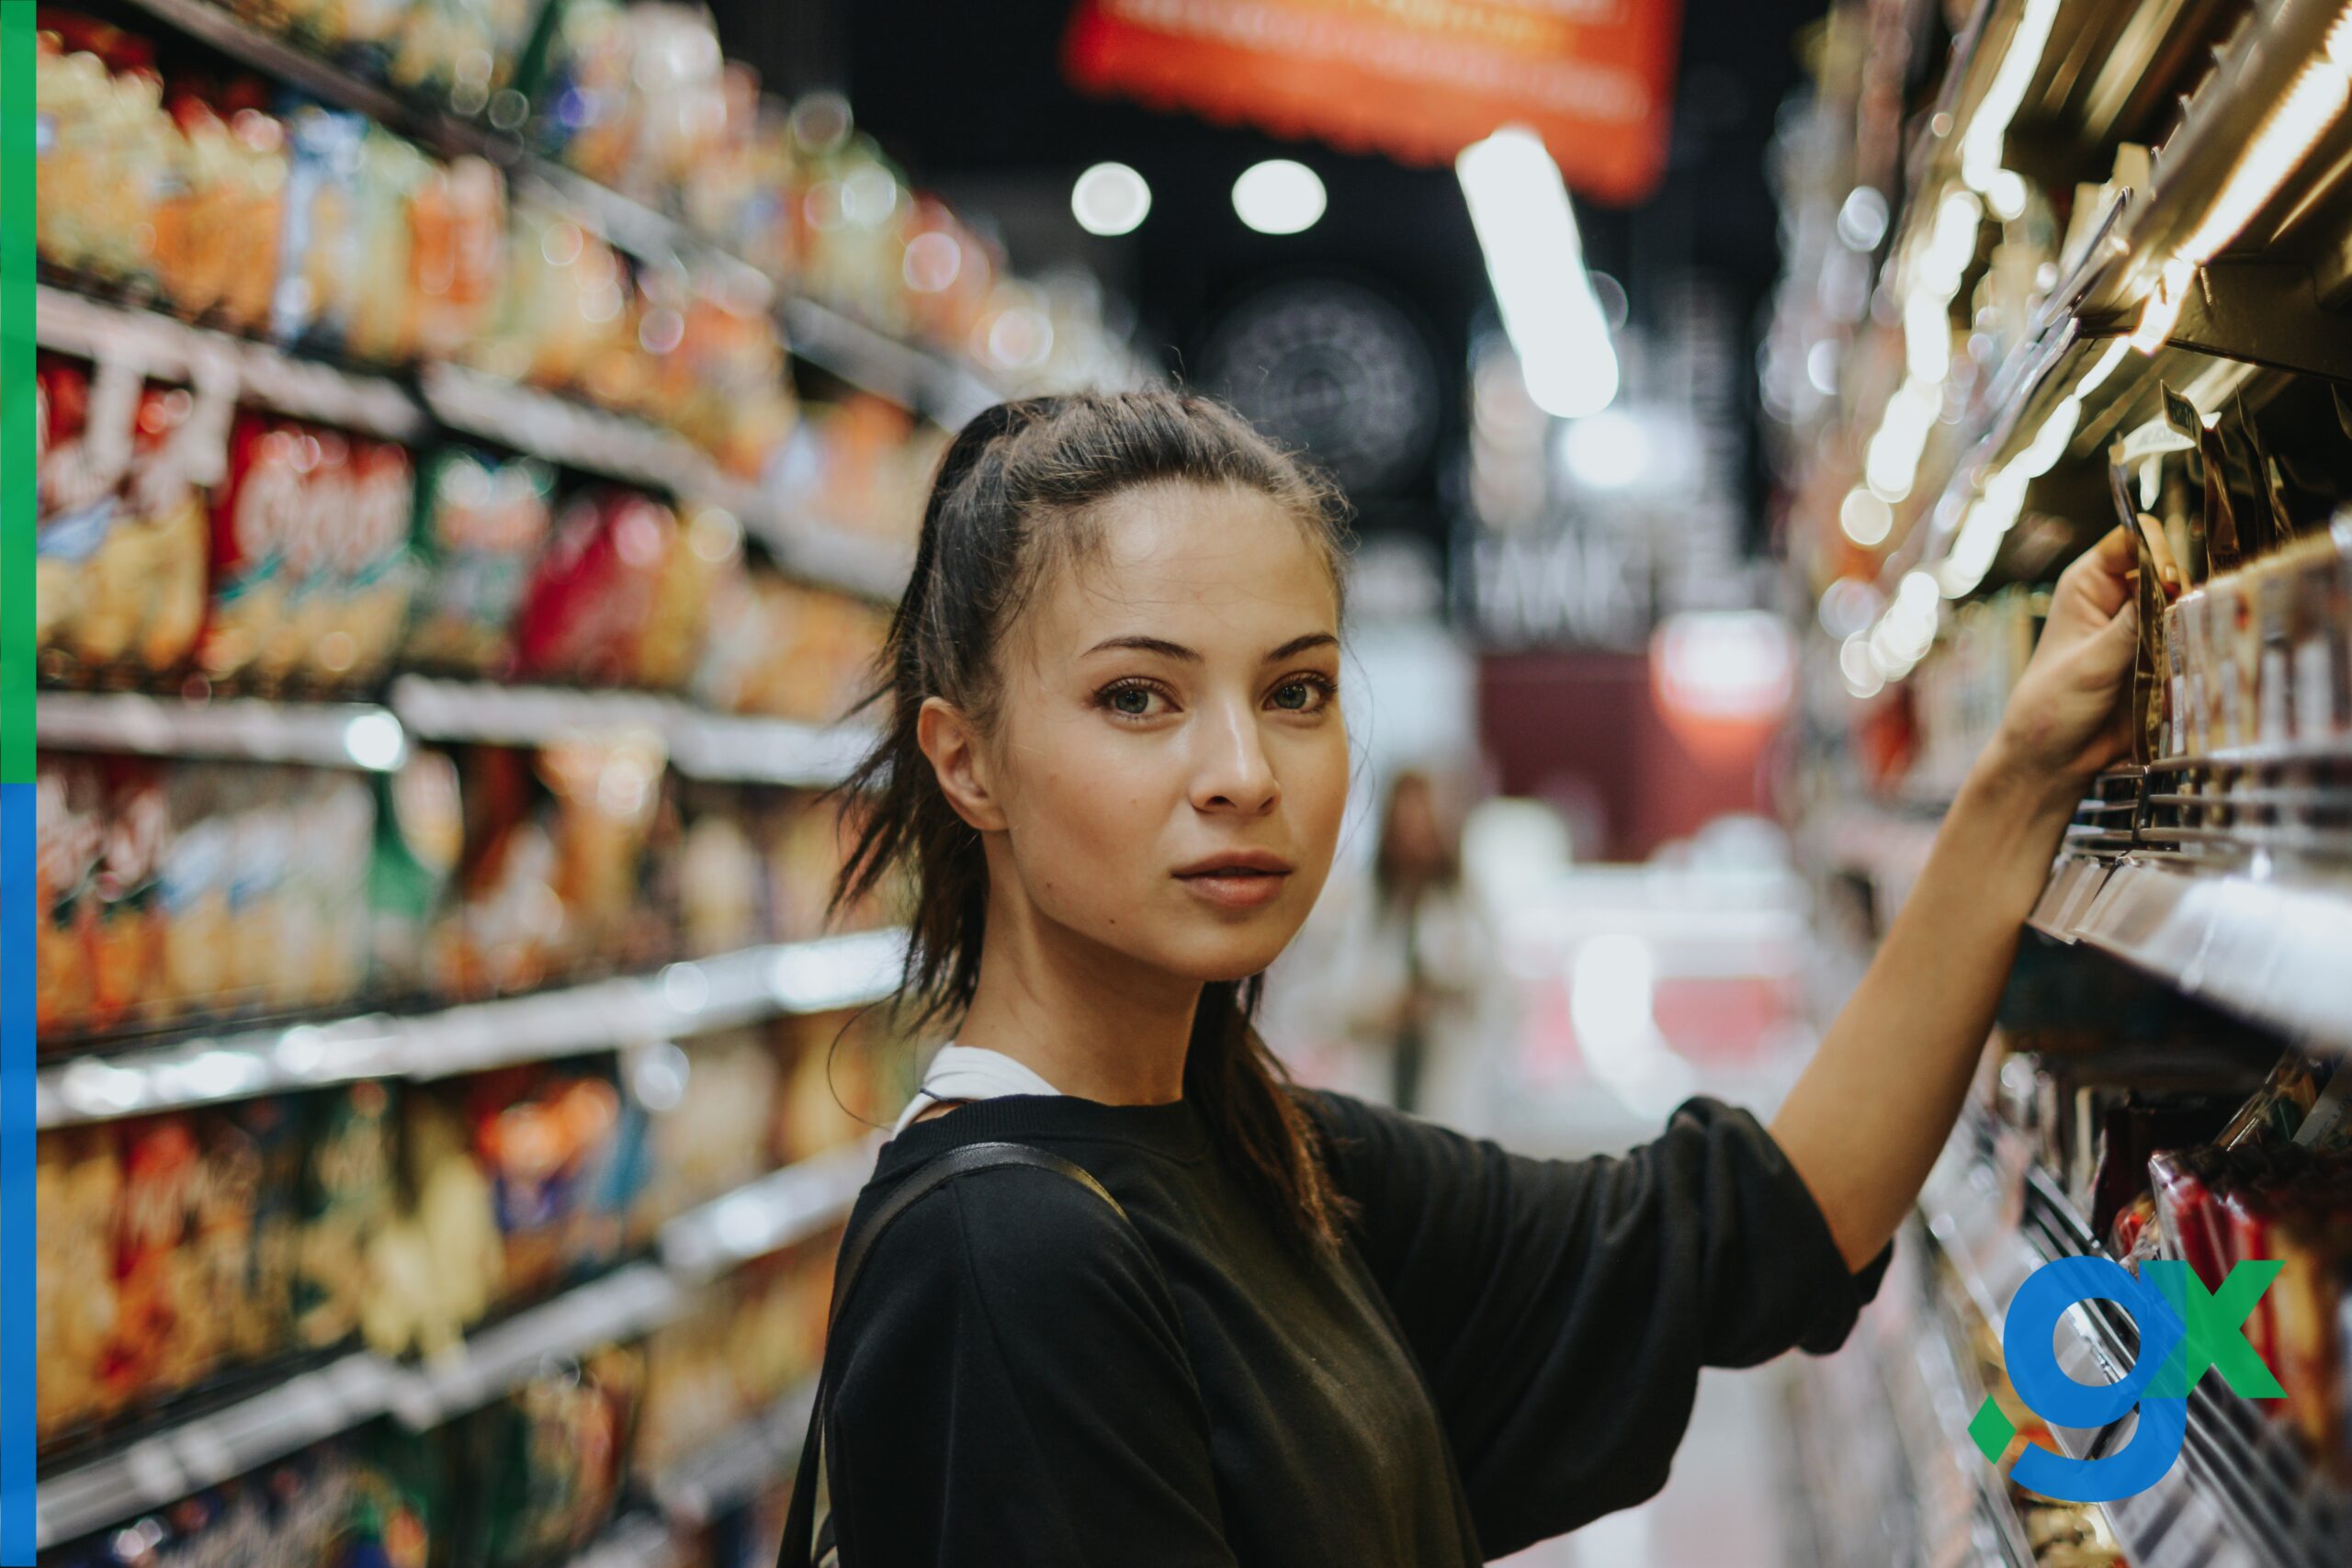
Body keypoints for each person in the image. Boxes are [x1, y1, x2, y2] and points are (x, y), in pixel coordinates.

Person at [801, 390, 2137, 1566]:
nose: (1245, 774)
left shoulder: (1269, 1157)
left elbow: (1759, 1229)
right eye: (1139, 698)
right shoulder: (1004, 1260)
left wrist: (2023, 777)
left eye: (1298, 692)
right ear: (965, 760)